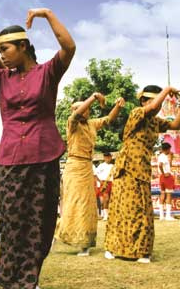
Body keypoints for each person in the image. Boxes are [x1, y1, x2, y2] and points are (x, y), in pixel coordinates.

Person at [0, 8, 75, 289]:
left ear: (23, 46)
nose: (2, 54)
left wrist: (47, 15)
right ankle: (9, 278)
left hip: (43, 156)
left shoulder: (48, 72)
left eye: (6, 48)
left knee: (39, 222)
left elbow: (69, 46)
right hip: (11, 158)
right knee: (12, 222)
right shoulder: (2, 78)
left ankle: (29, 279)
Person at [104, 85, 180, 263]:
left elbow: (176, 125)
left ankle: (141, 250)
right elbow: (153, 108)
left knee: (142, 211)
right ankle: (113, 247)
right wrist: (167, 91)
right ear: (143, 100)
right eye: (154, 99)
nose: (158, 104)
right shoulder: (137, 113)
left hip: (142, 169)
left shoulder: (155, 121)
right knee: (123, 210)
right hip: (126, 168)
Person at [56, 94, 125, 256]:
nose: (86, 112)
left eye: (87, 110)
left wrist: (118, 107)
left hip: (87, 166)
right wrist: (94, 97)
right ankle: (63, 232)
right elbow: (76, 114)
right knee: (73, 203)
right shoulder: (72, 124)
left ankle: (84, 243)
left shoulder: (91, 124)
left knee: (88, 206)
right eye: (83, 109)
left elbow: (108, 119)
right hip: (74, 167)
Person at [94, 152, 115, 221]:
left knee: (111, 199)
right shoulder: (101, 165)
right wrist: (100, 182)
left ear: (111, 157)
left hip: (112, 183)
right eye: (106, 157)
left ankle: (109, 214)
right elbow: (96, 175)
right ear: (104, 158)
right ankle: (105, 215)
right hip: (104, 182)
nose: (107, 158)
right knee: (105, 199)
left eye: (109, 157)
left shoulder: (113, 166)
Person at [158, 142, 176, 221]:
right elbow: (160, 165)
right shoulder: (163, 157)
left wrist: (171, 158)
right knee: (169, 195)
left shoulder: (162, 156)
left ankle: (161, 215)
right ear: (167, 149)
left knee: (162, 194)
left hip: (162, 177)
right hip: (167, 177)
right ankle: (168, 215)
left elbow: (168, 166)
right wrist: (164, 173)